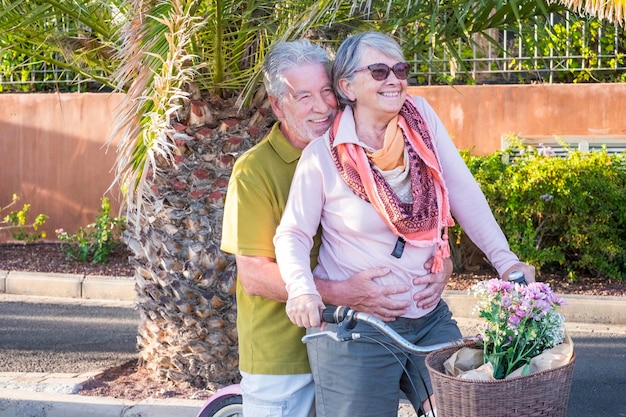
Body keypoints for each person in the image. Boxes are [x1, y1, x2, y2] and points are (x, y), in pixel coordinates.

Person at [273, 31, 535, 417]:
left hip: (428, 319)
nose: (393, 79)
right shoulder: (322, 156)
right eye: (378, 71)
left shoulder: (421, 119)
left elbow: (463, 193)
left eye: (400, 69)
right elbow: (293, 234)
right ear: (347, 85)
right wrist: (302, 291)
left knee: (464, 411)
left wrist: (507, 263)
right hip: (356, 329)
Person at [220, 39, 453, 417]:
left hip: (364, 334)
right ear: (278, 105)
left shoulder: (361, 146)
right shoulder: (254, 171)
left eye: (327, 91)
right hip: (285, 356)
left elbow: (416, 211)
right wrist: (343, 293)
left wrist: (441, 261)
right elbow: (255, 277)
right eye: (304, 96)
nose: (322, 106)